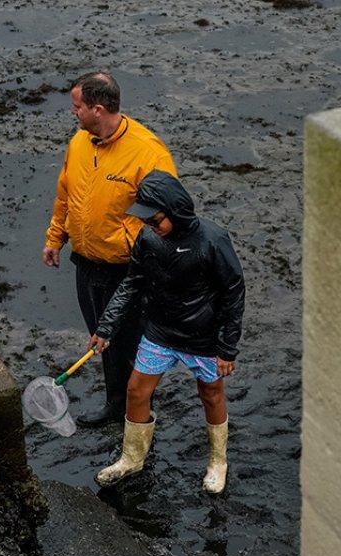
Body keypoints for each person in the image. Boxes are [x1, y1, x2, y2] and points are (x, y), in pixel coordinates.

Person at [88, 170, 245, 494]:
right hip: (160, 330)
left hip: (203, 336)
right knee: (136, 390)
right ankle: (132, 457)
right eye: (146, 220)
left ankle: (218, 462)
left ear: (176, 211)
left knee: (211, 394)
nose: (150, 226)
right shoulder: (147, 239)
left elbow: (233, 290)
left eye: (156, 219)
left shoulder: (212, 240)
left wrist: (227, 347)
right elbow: (132, 282)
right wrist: (106, 327)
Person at [42, 71, 177, 428]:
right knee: (101, 339)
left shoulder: (148, 153)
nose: (73, 112)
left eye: (77, 106)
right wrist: (56, 237)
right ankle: (116, 404)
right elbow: (65, 194)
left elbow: (169, 216)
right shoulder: (80, 143)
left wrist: (143, 257)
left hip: (127, 270)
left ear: (97, 109)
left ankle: (139, 414)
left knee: (129, 342)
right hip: (86, 264)